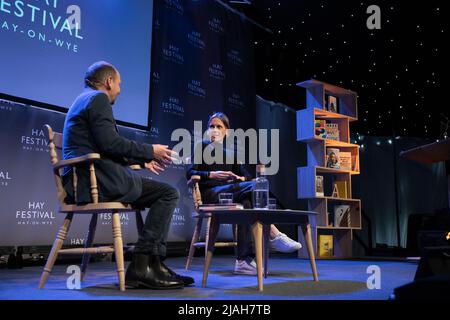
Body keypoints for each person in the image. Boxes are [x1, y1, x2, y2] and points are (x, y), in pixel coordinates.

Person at [62, 61, 194, 289]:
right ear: (109, 81)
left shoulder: (83, 99)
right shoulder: (98, 99)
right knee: (168, 193)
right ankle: (143, 265)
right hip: (95, 182)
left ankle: (154, 265)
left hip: (88, 179)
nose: (120, 90)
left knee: (164, 193)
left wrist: (143, 159)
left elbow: (104, 146)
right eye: (120, 84)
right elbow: (110, 143)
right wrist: (150, 150)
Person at [186, 112, 302, 275]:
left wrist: (238, 177)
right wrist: (213, 174)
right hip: (210, 196)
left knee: (248, 201)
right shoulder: (201, 147)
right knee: (255, 187)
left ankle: (242, 261)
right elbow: (190, 172)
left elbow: (247, 176)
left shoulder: (231, 155)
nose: (215, 130)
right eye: (212, 126)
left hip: (230, 194)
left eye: (219, 126)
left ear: (227, 131)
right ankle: (275, 231)